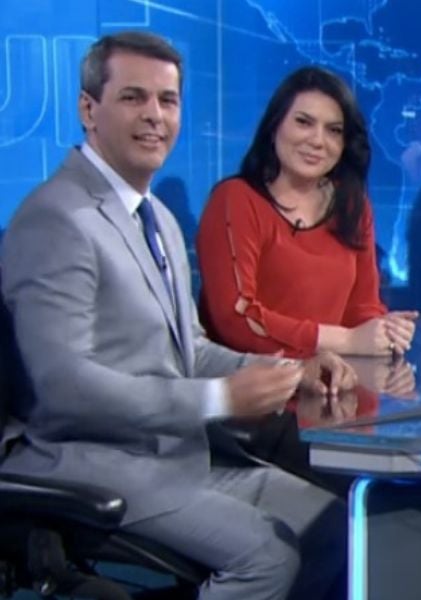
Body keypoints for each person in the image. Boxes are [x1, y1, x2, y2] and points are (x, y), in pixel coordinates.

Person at [0, 32, 353, 599]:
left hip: (179, 455)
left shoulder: (158, 217)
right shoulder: (55, 218)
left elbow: (190, 347)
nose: (155, 117)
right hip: (94, 464)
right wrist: (219, 401)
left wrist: (292, 368)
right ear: (89, 109)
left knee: (335, 528)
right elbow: (63, 389)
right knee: (269, 557)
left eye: (168, 101)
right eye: (133, 98)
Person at [197, 66, 416, 358]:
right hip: (256, 392)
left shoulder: (353, 206)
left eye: (334, 130)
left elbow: (362, 308)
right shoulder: (236, 199)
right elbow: (237, 319)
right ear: (275, 126)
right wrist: (347, 341)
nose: (317, 141)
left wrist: (382, 330)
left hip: (334, 388)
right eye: (304, 122)